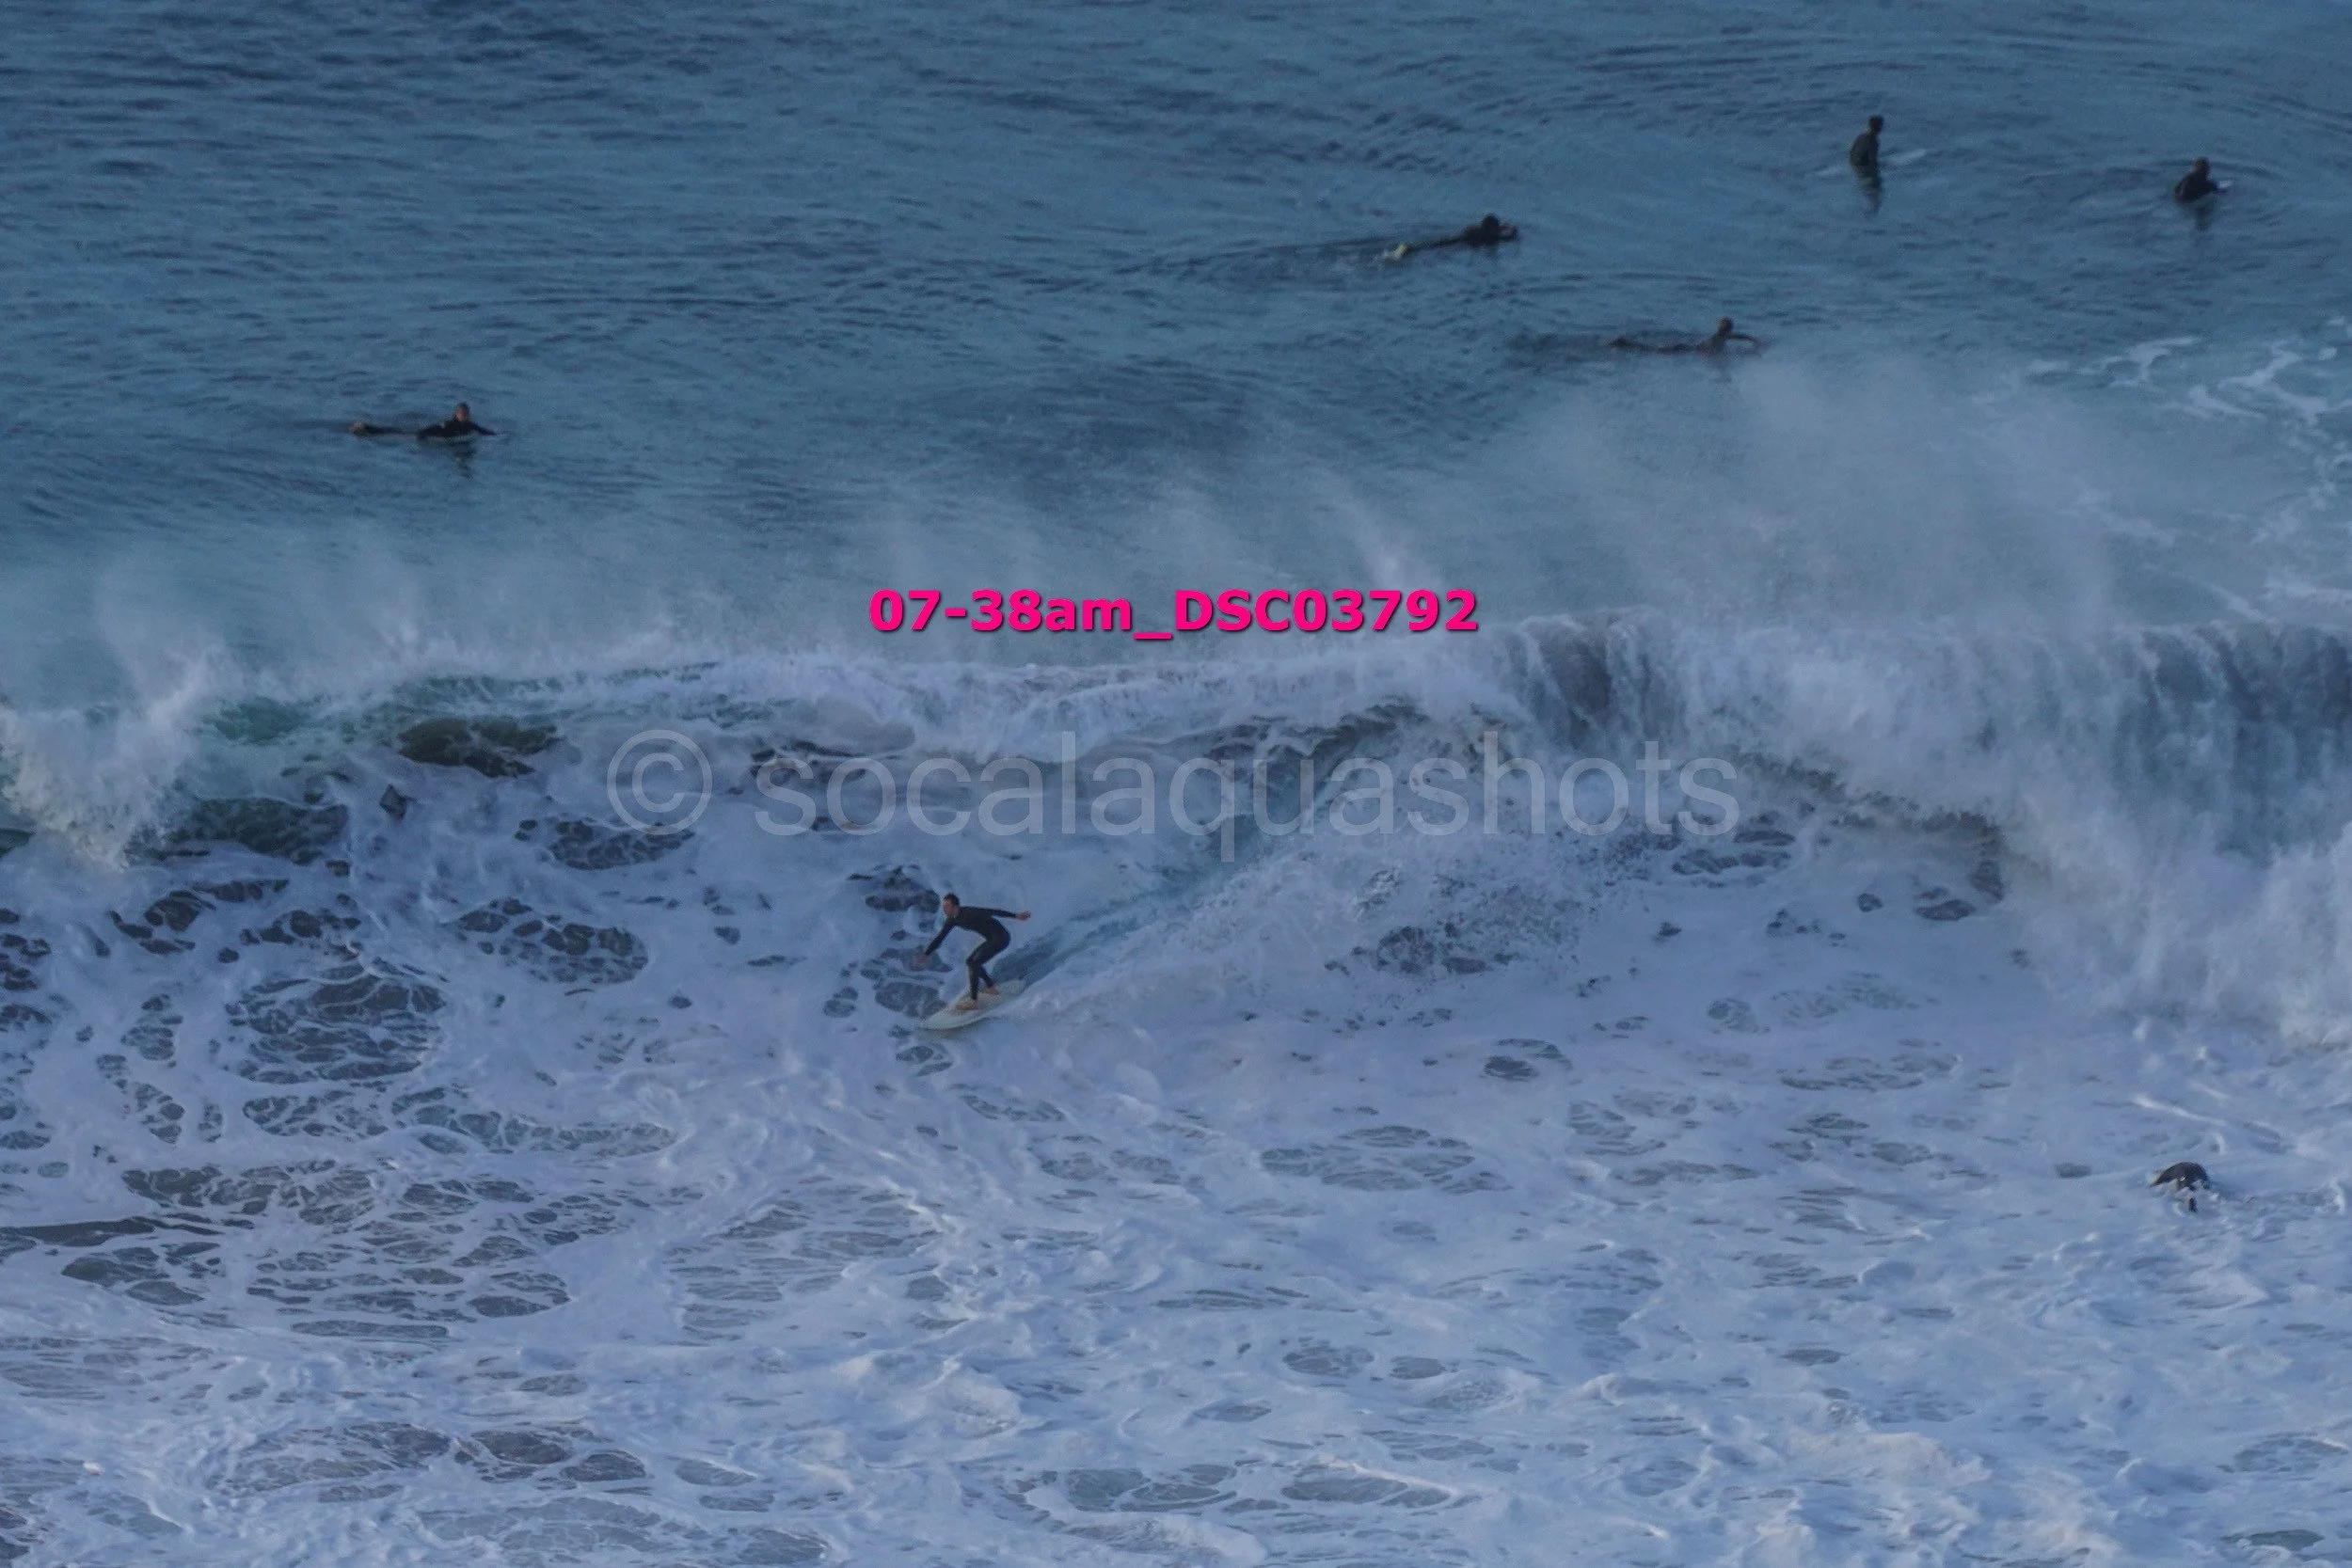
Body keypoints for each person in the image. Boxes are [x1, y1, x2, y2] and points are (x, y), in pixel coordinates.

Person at [913, 895, 1031, 1010]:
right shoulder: (952, 920)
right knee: (971, 961)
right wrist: (925, 955)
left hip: (1001, 938)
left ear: (955, 906)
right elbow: (940, 937)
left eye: (947, 906)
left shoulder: (970, 912)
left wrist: (1016, 916)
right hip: (992, 939)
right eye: (944, 906)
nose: (944, 909)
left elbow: (992, 911)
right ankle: (990, 987)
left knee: (974, 963)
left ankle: (974, 1001)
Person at [1610, 317, 1761, 356]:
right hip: (1688, 350)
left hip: (1688, 348)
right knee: (1652, 351)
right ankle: (1624, 344)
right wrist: (1755, 341)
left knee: (1653, 350)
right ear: (1729, 330)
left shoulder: (1720, 337)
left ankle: (1625, 344)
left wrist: (1753, 340)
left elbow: (1738, 337)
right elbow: (1739, 337)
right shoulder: (1720, 338)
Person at [1394, 214, 1518, 258]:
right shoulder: (1490, 237)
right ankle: (1411, 250)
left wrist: (1503, 227)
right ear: (1492, 228)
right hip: (1460, 244)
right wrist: (1511, 229)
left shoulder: (1478, 229)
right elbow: (1508, 236)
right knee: (1434, 248)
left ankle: (1410, 249)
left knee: (1434, 245)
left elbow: (1499, 230)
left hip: (1456, 239)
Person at [418, 403, 496, 439]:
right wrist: (422, 433)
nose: (466, 416)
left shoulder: (470, 425)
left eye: (467, 413)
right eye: (463, 413)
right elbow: (434, 428)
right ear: (456, 414)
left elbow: (483, 431)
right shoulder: (449, 424)